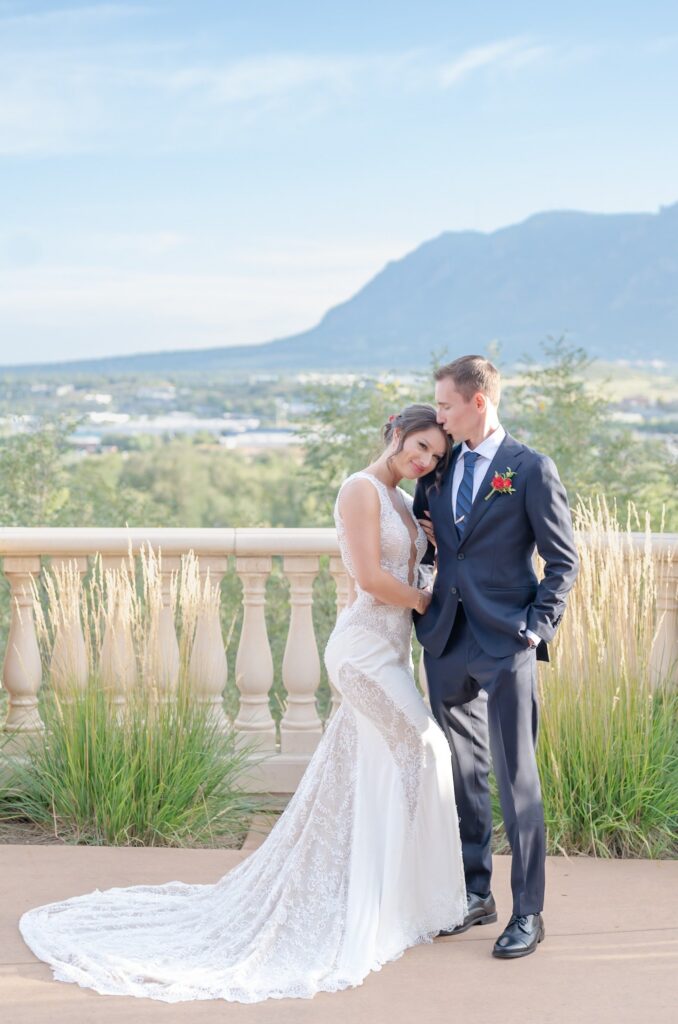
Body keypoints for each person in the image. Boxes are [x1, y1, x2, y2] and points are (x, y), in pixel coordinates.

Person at [19, 404, 467, 1004]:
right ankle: (395, 898)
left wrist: (428, 543)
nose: (424, 460)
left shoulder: (402, 503)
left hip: (391, 652)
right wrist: (426, 601)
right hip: (362, 652)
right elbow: (368, 578)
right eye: (419, 446)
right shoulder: (360, 489)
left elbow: (404, 560)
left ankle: (383, 895)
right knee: (424, 749)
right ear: (394, 434)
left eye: (435, 455)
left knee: (376, 768)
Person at [413, 355, 579, 959]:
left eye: (447, 405)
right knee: (462, 775)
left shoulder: (528, 468)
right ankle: (474, 894)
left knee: (517, 782)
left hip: (506, 641)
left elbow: (563, 561)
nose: (439, 415)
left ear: (478, 401)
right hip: (446, 640)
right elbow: (426, 537)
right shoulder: (438, 466)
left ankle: (528, 914)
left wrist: (537, 629)